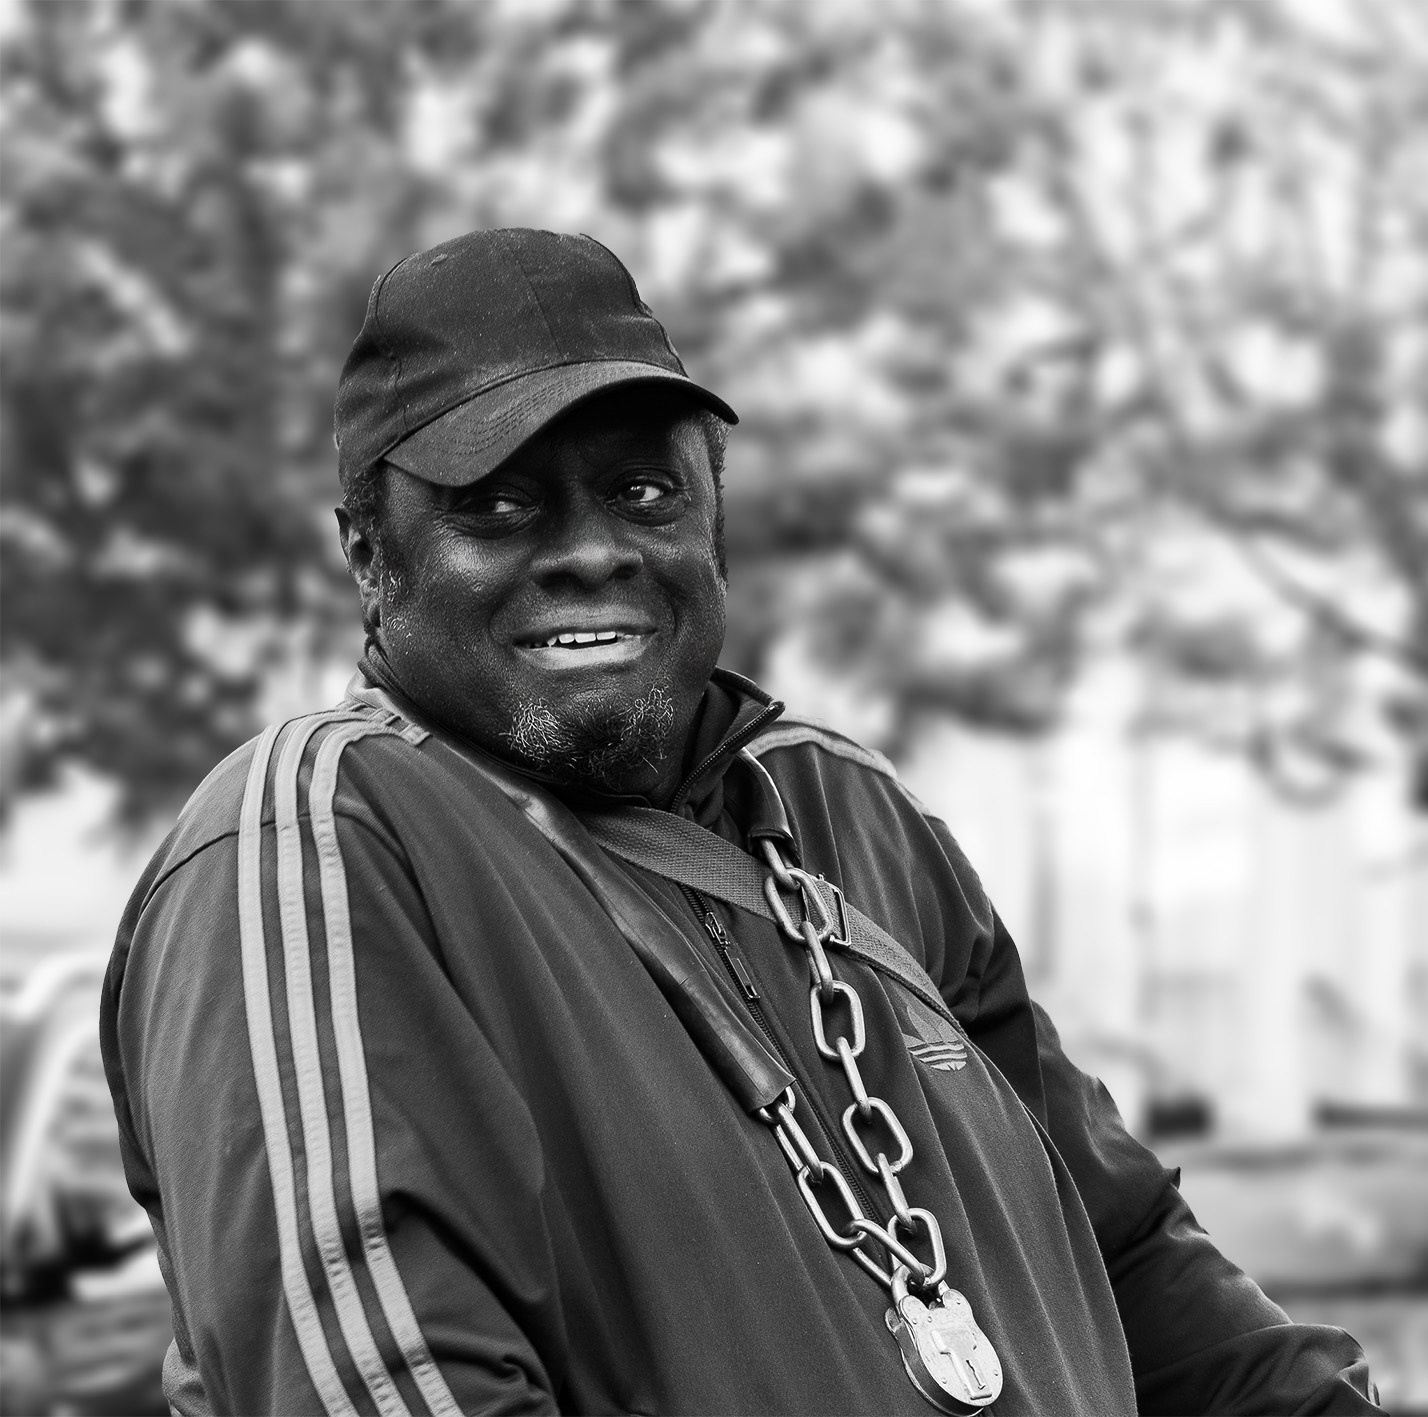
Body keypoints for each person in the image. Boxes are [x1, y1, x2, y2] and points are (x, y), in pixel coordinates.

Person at [100, 227, 1382, 1417]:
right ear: (370, 558)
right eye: (497, 505)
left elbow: (1126, 1252)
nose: (593, 551)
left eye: (643, 491)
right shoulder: (314, 846)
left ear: (715, 527)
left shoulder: (851, 812)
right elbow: (389, 1387)